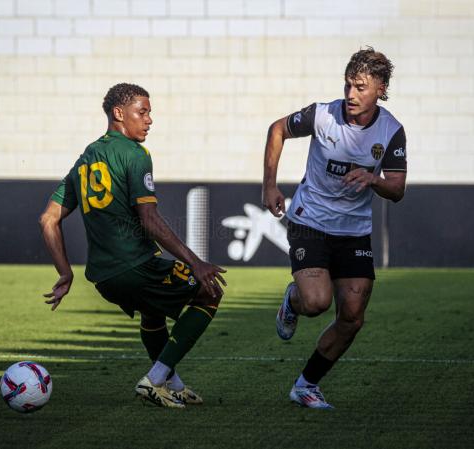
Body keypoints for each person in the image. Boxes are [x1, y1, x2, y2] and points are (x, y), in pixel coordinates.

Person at [39, 83, 226, 409]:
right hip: (135, 266)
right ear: (119, 114)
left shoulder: (85, 159)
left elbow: (48, 220)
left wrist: (65, 273)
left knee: (153, 312)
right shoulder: (135, 154)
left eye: (150, 112)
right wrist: (195, 261)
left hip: (103, 278)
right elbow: (149, 219)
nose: (149, 120)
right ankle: (155, 379)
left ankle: (173, 384)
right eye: (143, 112)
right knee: (210, 292)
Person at [262, 48, 407, 409]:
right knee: (316, 302)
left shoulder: (391, 131)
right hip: (310, 221)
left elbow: (398, 189)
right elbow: (277, 129)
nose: (351, 94)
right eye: (347, 85)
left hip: (354, 231)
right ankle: (292, 301)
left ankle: (306, 384)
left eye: (360, 87)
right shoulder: (322, 115)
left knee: (353, 317)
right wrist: (269, 185)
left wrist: (373, 179)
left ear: (381, 90)